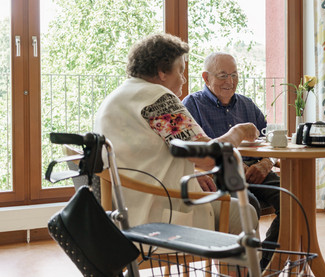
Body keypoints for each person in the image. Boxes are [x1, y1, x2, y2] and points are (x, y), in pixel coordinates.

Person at [94, 34, 259, 235]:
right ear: (162, 71)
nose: (183, 79)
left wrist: (192, 173)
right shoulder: (158, 99)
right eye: (180, 71)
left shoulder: (117, 97)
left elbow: (150, 154)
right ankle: (247, 267)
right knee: (245, 212)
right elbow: (209, 157)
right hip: (158, 216)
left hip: (121, 212)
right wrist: (239, 130)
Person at [182, 52, 280, 269]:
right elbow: (192, 153)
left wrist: (266, 162)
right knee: (249, 205)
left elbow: (270, 142)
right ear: (206, 78)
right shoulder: (191, 105)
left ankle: (265, 265)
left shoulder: (247, 105)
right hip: (221, 174)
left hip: (256, 170)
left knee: (292, 199)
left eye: (234, 75)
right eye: (223, 75)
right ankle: (239, 269)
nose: (230, 81)